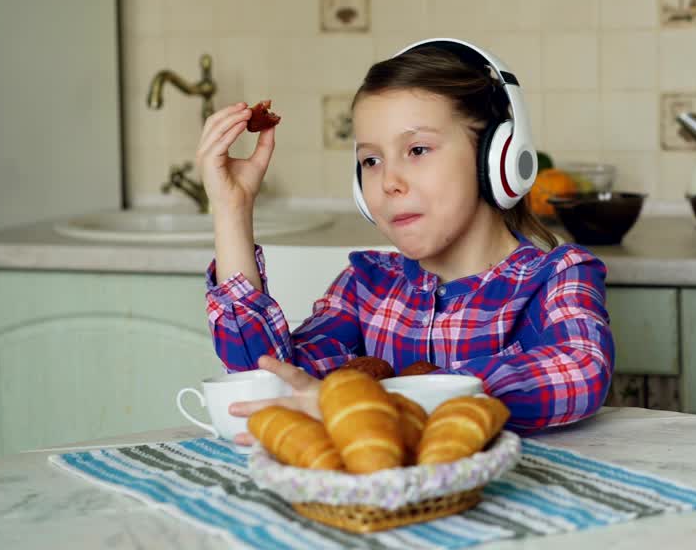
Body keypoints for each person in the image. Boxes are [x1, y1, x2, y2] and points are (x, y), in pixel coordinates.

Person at [196, 38, 614, 435]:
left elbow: (580, 370)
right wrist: (233, 209)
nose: (389, 182)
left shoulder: (555, 276)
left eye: (417, 150)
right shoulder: (366, 287)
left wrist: (376, 401)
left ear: (498, 157)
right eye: (371, 160)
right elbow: (266, 376)